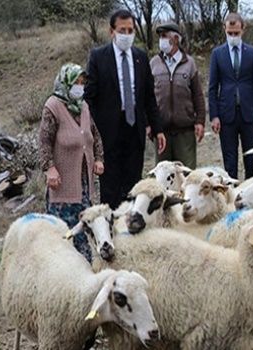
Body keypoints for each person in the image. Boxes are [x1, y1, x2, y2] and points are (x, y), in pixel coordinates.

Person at [84, 10, 166, 210]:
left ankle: (130, 226)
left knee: (133, 186)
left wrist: (158, 129)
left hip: (134, 129)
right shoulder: (98, 57)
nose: (127, 34)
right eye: (122, 30)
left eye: (130, 30)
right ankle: (110, 229)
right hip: (108, 131)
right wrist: (90, 132)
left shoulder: (140, 57)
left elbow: (149, 97)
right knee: (110, 187)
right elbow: (89, 97)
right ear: (112, 31)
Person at [39, 63, 103, 262]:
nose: (80, 86)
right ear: (66, 82)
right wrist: (49, 168)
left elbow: (95, 135)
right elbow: (44, 141)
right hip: (63, 186)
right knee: (63, 235)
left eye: (83, 82)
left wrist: (99, 158)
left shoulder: (83, 107)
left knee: (85, 231)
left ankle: (84, 274)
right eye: (76, 82)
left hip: (84, 185)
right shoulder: (53, 106)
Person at [208, 12, 253, 180]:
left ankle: (251, 194)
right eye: (230, 33)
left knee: (251, 160)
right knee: (230, 161)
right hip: (226, 115)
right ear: (224, 30)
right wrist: (214, 116)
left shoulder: (252, 53)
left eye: (236, 33)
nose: (233, 36)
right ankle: (232, 196)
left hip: (250, 114)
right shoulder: (217, 54)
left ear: (243, 30)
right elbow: (212, 88)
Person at [151, 23, 206, 169]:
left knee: (187, 174)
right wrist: (148, 124)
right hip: (161, 131)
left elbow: (198, 95)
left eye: (164, 36)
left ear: (175, 39)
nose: (161, 40)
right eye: (160, 37)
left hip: (185, 131)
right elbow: (148, 97)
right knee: (163, 177)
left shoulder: (189, 64)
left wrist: (200, 121)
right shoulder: (154, 63)